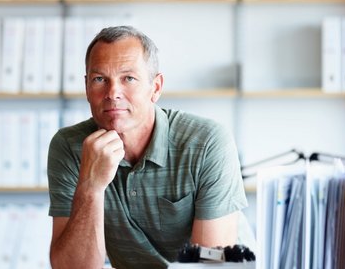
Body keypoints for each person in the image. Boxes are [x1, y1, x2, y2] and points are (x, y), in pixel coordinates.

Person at [47, 26, 247, 269]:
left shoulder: (207, 142)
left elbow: (210, 265)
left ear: (156, 88)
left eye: (128, 78)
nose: (113, 93)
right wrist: (90, 188)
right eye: (100, 79)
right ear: (87, 87)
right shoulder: (69, 147)